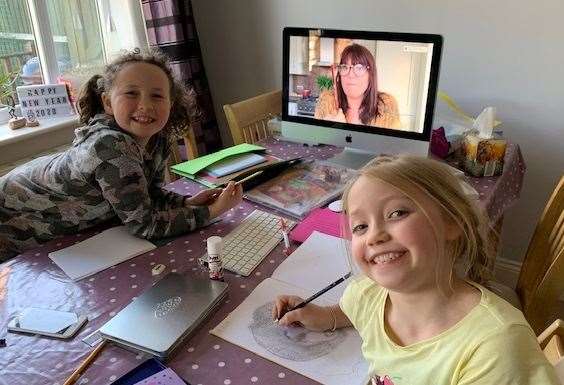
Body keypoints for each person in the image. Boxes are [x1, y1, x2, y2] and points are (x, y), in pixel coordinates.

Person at [273, 155, 559, 384]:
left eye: (397, 213)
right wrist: (322, 316)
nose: (373, 236)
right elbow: (351, 311)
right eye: (361, 226)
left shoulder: (497, 347)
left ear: (451, 221)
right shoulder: (367, 294)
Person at [0, 49, 242, 262]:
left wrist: (186, 203)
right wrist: (212, 212)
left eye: (157, 96)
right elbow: (144, 224)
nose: (145, 105)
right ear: (107, 102)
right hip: (9, 215)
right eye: (131, 94)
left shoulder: (158, 139)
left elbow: (149, 196)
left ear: (171, 104)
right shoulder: (110, 147)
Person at [314, 44, 400, 129]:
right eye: (345, 67)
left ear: (371, 74)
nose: (351, 74)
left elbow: (391, 142)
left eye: (359, 68)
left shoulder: (386, 107)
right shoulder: (326, 104)